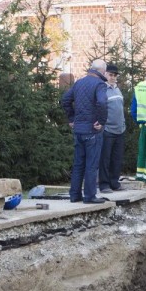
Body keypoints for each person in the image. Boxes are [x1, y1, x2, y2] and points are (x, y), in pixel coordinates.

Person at [60, 59, 108, 204]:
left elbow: (65, 100)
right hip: (92, 131)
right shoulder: (100, 84)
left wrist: (72, 118)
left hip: (79, 130)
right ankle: (89, 196)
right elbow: (102, 102)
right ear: (101, 71)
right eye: (105, 71)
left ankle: (74, 195)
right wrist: (101, 121)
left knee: (78, 164)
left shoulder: (79, 83)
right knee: (91, 165)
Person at [99, 63, 126, 193]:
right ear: (105, 74)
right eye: (110, 74)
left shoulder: (117, 89)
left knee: (117, 158)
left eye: (115, 75)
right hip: (108, 130)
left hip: (120, 130)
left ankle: (114, 183)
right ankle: (104, 185)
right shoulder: (102, 89)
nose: (113, 77)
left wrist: (123, 124)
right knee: (105, 159)